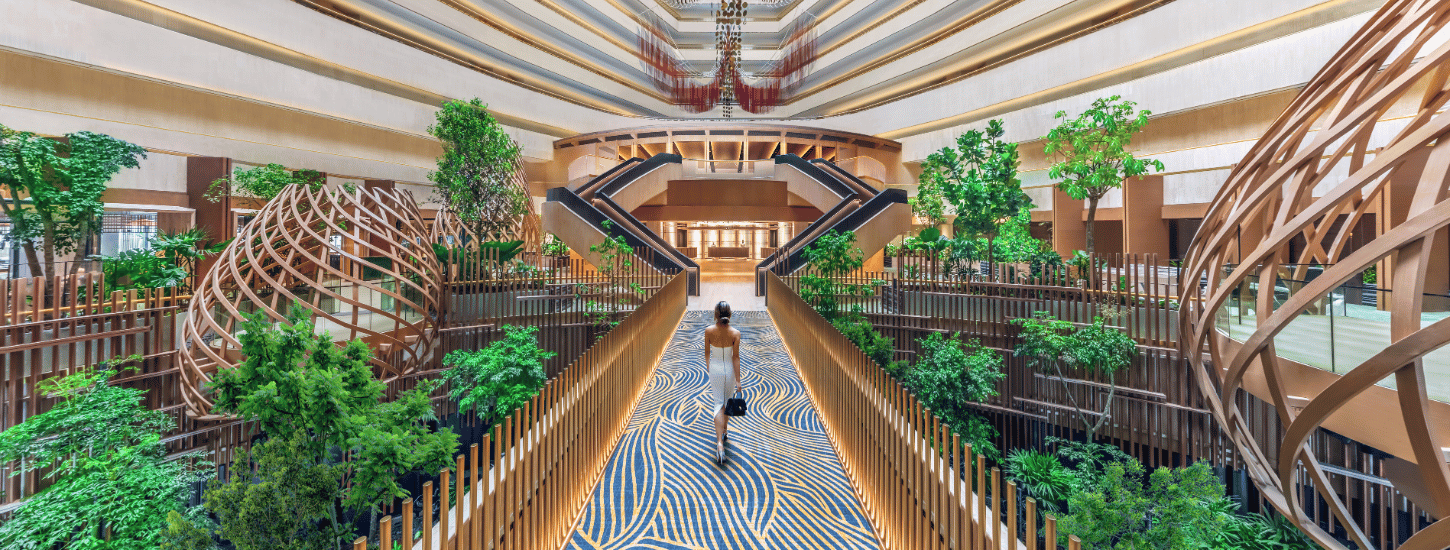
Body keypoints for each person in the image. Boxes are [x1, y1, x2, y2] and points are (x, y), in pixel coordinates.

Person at [704, 301, 741, 466]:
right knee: (726, 401)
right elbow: (735, 357)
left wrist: (709, 369)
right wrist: (739, 381)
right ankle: (724, 432)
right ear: (730, 314)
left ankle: (720, 442)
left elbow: (706, 354)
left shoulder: (709, 331)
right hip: (729, 371)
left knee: (718, 403)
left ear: (716, 315)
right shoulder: (735, 333)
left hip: (716, 369)